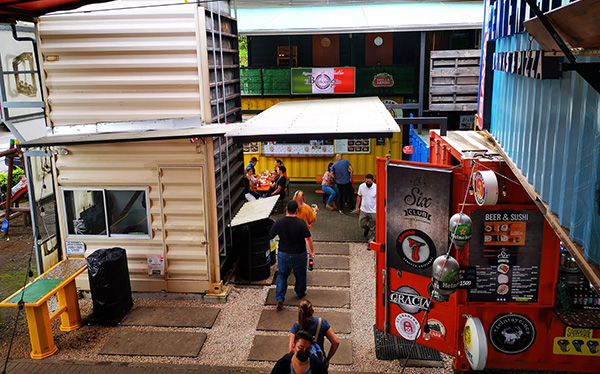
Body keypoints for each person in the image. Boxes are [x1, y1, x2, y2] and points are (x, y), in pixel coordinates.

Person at [270, 200, 315, 310]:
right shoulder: (301, 223)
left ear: (286, 209)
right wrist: (311, 252)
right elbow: (308, 238)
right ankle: (300, 293)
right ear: (297, 210)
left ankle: (280, 298)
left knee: (282, 275)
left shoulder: (279, 222)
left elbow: (271, 235)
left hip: (283, 253)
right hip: (299, 253)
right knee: (300, 275)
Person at [289, 300, 340, 369]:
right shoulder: (321, 322)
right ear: (312, 311)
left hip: (302, 363)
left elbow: (291, 350)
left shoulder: (296, 326)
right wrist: (327, 359)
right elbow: (336, 342)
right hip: (318, 362)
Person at [356, 174, 376, 245]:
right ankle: (367, 228)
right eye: (367, 182)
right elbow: (359, 196)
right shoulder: (361, 186)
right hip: (363, 210)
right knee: (362, 224)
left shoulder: (376, 188)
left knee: (373, 228)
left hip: (373, 211)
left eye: (370, 182)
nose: (368, 183)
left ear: (372, 181)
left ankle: (371, 241)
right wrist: (357, 207)